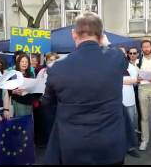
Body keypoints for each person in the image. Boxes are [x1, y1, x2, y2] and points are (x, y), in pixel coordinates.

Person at [43, 12, 128, 165]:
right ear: (102, 35)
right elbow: (119, 56)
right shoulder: (116, 58)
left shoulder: (57, 68)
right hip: (111, 144)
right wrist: (106, 43)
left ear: (73, 34)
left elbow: (47, 103)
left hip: (73, 145)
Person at [119, 47, 140, 158]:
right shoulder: (112, 66)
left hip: (129, 100)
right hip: (117, 100)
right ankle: (120, 146)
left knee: (130, 124)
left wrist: (118, 79)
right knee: (118, 125)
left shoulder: (131, 67)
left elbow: (135, 81)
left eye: (122, 53)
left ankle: (130, 147)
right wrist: (129, 80)